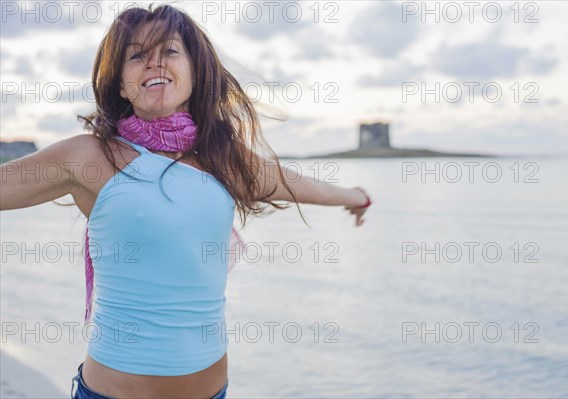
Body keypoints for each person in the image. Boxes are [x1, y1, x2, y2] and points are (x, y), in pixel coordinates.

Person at [0, 4, 372, 399]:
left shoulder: (221, 157)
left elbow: (294, 184)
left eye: (170, 51)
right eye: (137, 55)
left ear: (194, 73)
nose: (154, 62)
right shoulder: (89, 157)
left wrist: (356, 197)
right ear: (121, 85)